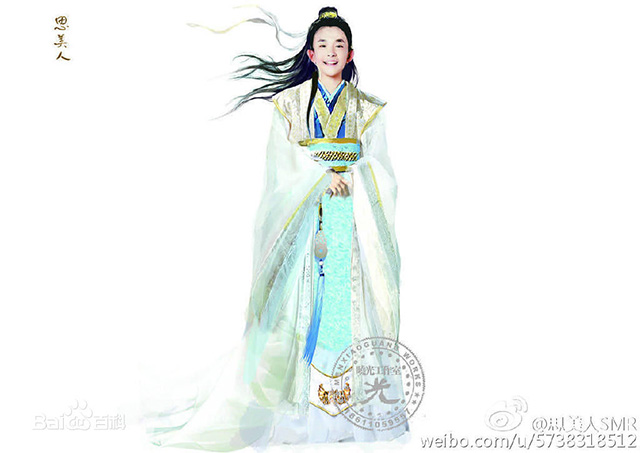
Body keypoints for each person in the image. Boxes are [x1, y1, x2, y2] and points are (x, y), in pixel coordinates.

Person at [141, 6, 408, 450]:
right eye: (322, 44)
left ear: (350, 53)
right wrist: (320, 175)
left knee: (347, 313)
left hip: (350, 221)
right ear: (310, 53)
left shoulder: (368, 108)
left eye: (339, 44)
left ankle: (347, 413)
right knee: (297, 312)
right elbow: (281, 166)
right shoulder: (289, 104)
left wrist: (352, 175)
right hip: (304, 223)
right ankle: (299, 416)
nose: (331, 51)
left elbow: (382, 170)